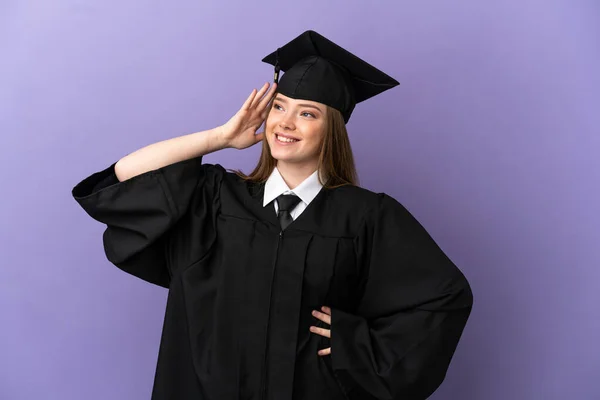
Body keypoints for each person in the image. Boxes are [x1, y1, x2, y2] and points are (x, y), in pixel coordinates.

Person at [72, 30, 473, 400]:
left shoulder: (365, 217)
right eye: (279, 106)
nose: (285, 122)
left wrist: (354, 341)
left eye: (307, 113)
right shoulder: (216, 198)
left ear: (330, 128)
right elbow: (122, 177)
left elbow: (442, 298)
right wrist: (220, 138)